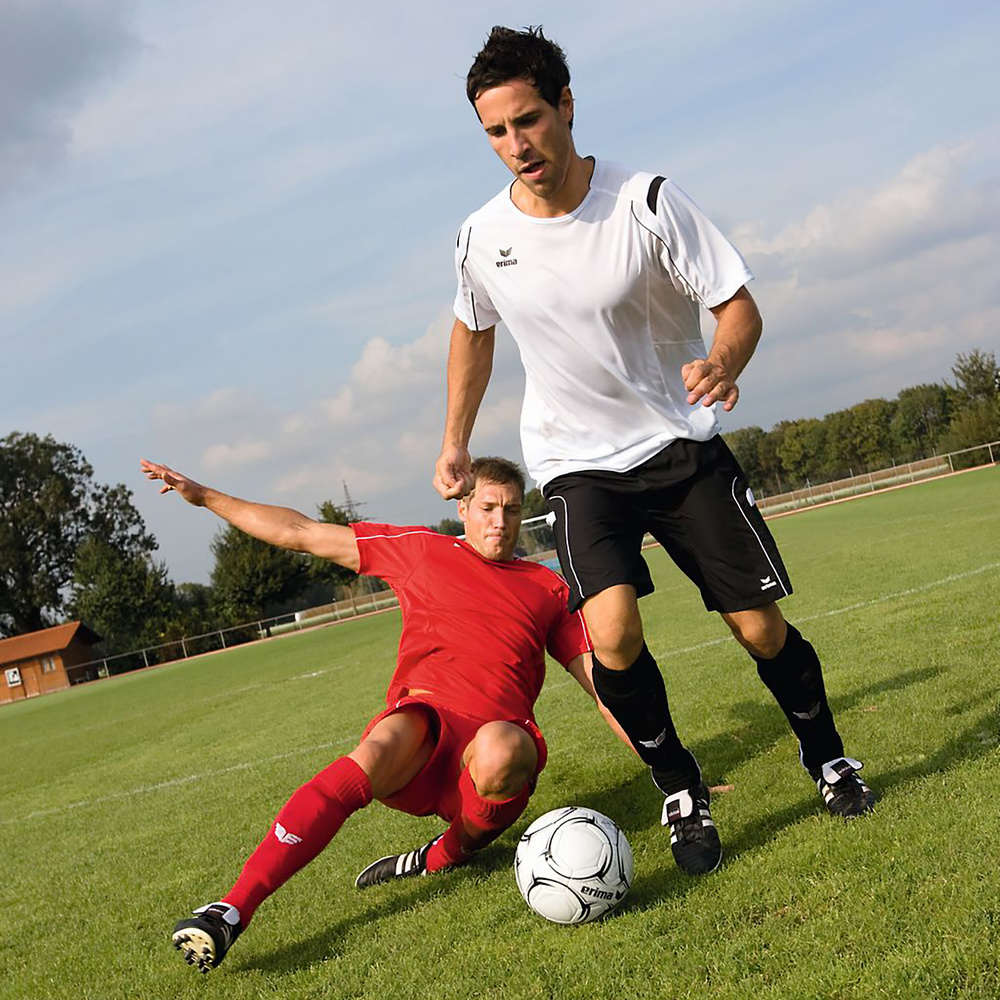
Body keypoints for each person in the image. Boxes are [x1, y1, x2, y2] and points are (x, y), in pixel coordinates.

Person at [433, 26, 875, 878]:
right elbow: (473, 330)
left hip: (677, 444)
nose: (516, 145)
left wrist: (723, 361)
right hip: (575, 463)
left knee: (759, 628)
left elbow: (737, 306)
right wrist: (454, 439)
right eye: (495, 132)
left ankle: (826, 756)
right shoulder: (481, 234)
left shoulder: (647, 200)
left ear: (566, 105)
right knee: (612, 631)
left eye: (528, 120)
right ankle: (681, 788)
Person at [141, 455, 619, 973]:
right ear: (463, 508)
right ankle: (231, 911)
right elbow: (302, 532)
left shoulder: (547, 587)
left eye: (510, 508)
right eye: (487, 507)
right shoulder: (420, 550)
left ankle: (445, 853)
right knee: (387, 736)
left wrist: (674, 776)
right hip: (422, 735)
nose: (499, 522)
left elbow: (604, 686)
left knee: (502, 747)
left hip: (491, 757)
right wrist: (208, 497)